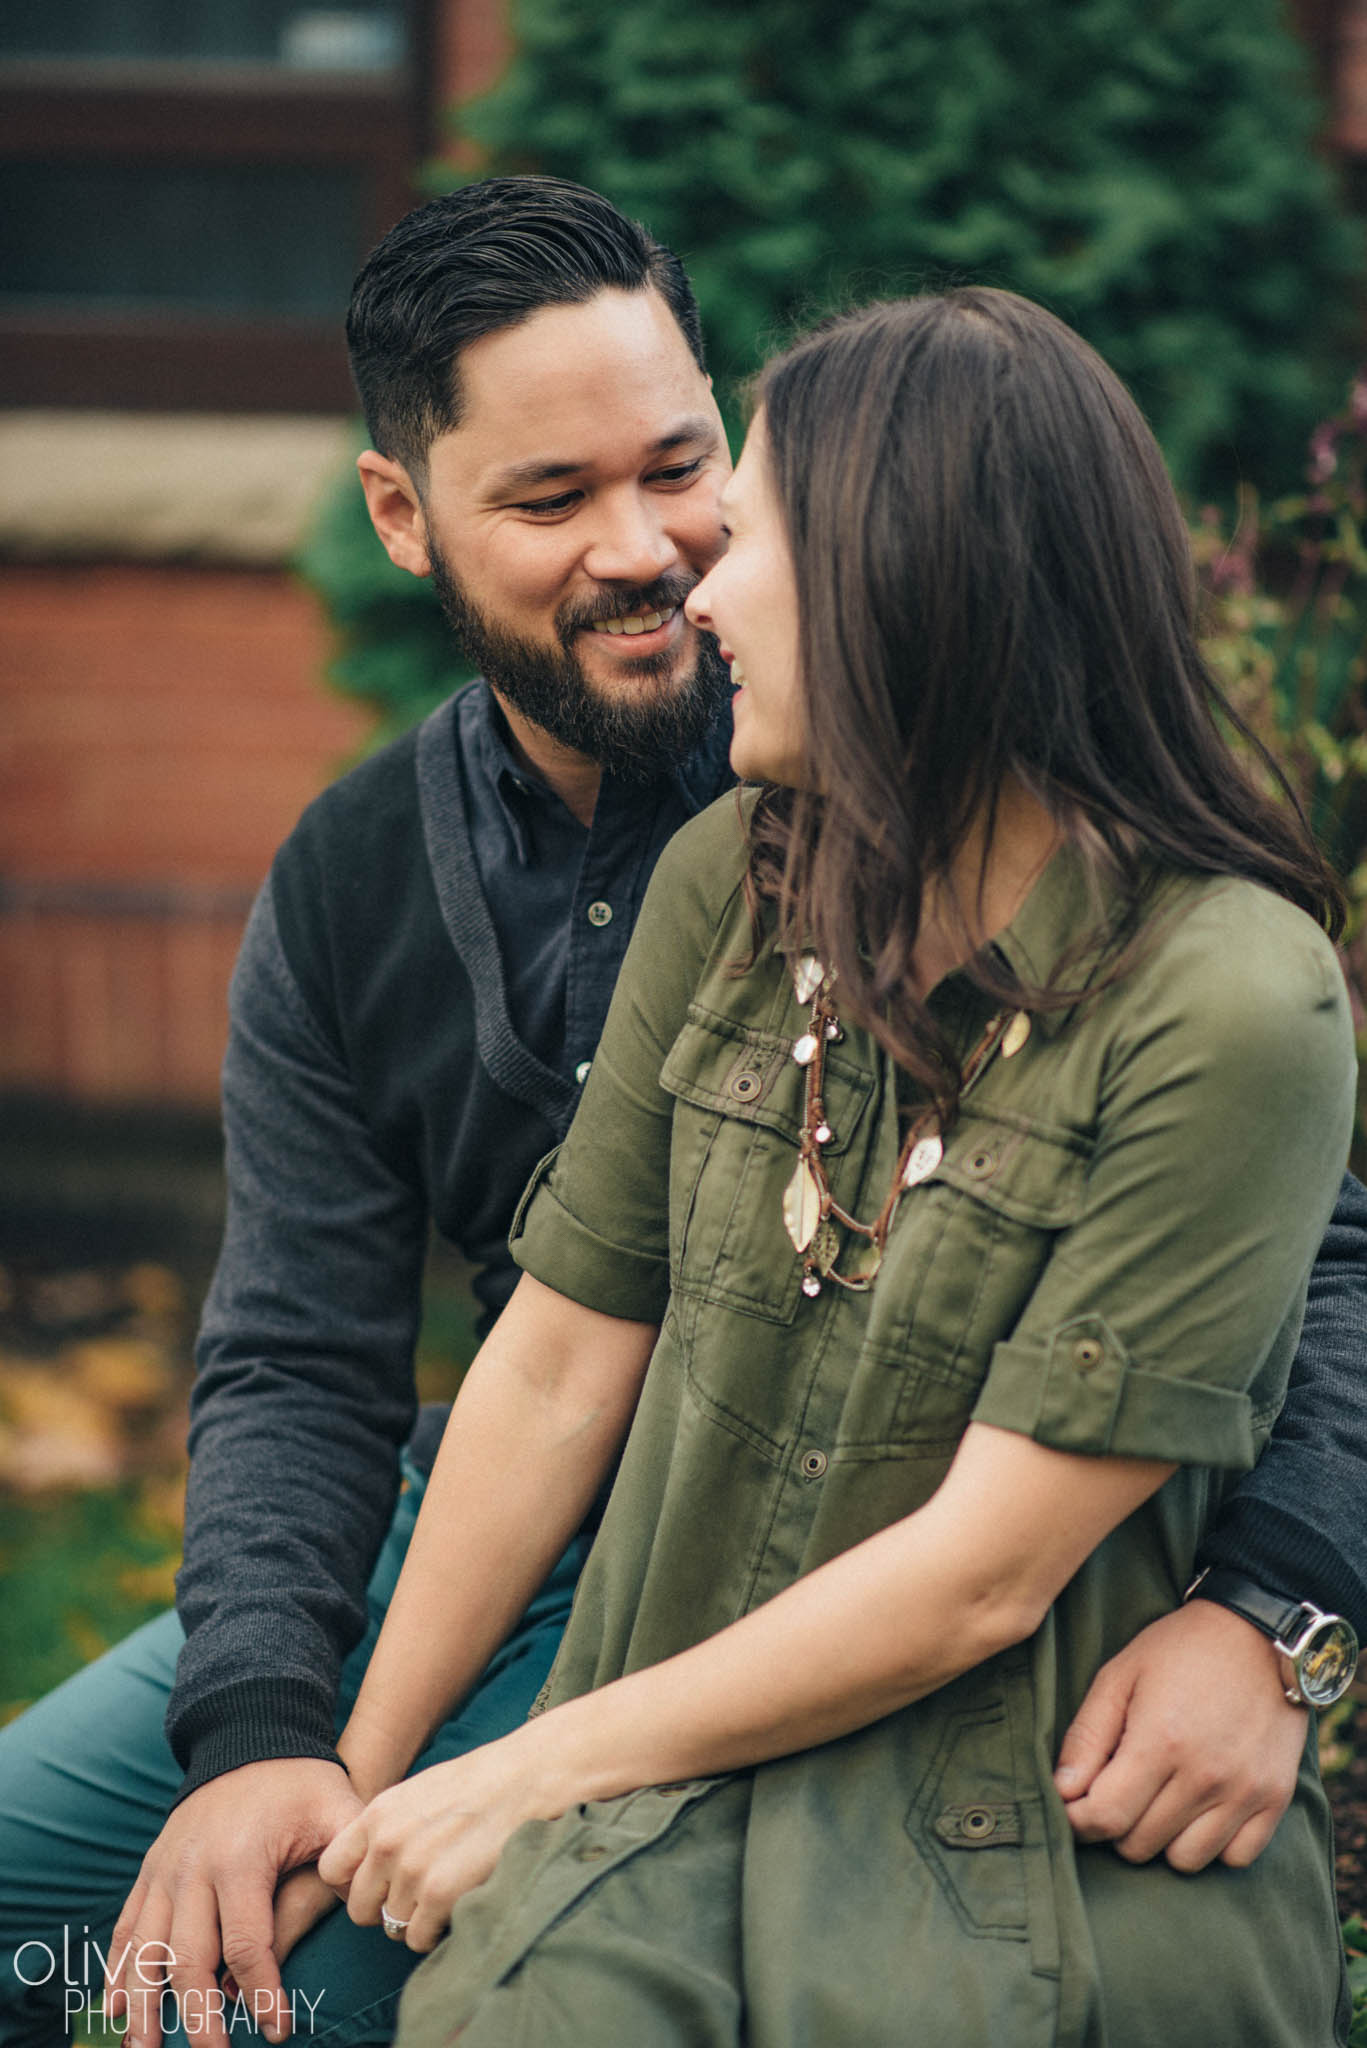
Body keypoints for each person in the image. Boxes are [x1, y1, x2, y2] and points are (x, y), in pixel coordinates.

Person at [0, 182, 1362, 2048]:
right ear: (405, 518)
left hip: (810, 1554)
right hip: (493, 1522)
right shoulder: (405, 876)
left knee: (287, 2001)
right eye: (552, 500)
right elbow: (316, 1352)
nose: (664, 557)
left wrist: (1280, 1616)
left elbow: (1308, 1256)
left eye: (689, 469)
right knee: (39, 1907)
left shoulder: (951, 843)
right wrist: (274, 1743)